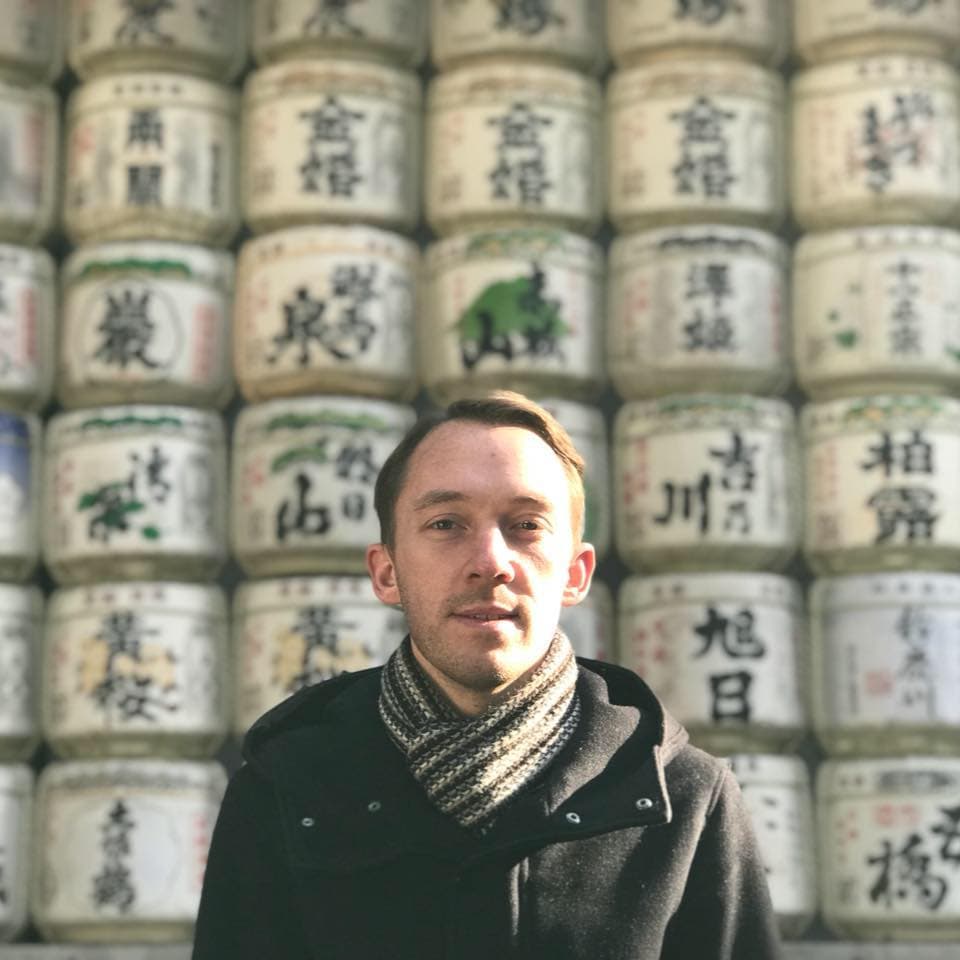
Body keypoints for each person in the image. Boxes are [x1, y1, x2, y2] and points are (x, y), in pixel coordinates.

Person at [193, 391, 783, 959]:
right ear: (387, 572)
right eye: (446, 524)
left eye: (526, 525)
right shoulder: (290, 786)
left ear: (575, 574)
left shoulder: (682, 797)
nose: (490, 563)